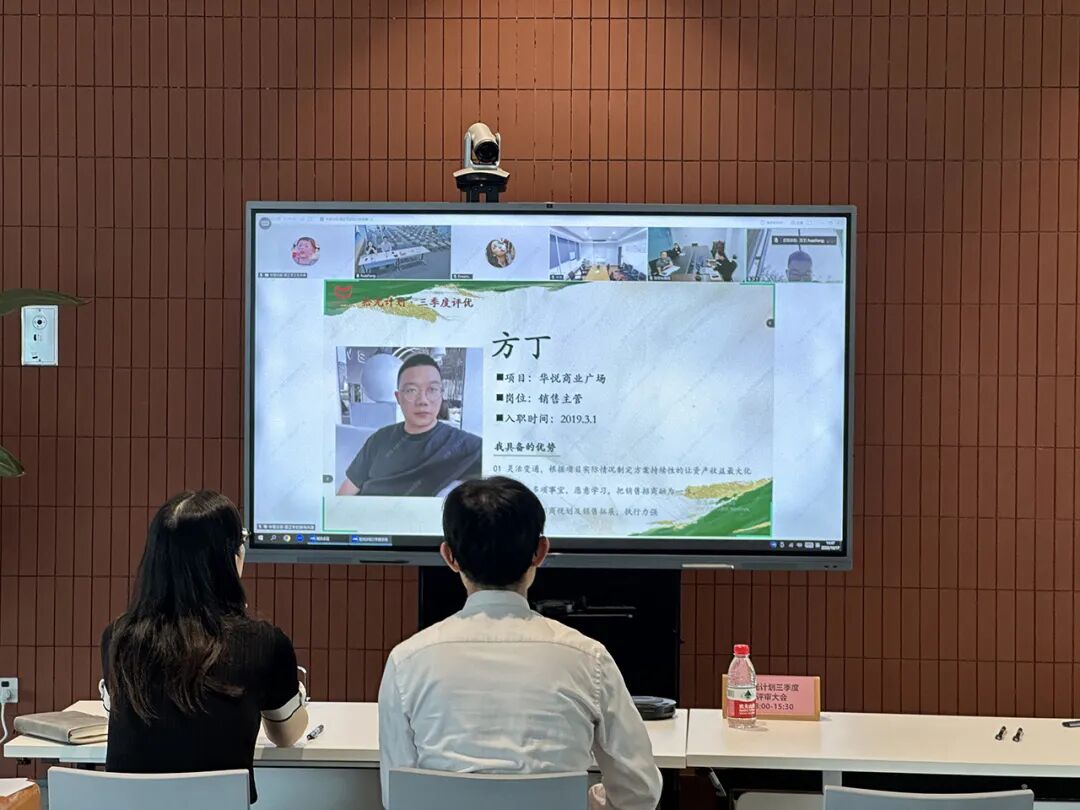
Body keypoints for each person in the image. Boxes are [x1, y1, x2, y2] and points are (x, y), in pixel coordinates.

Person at [378, 477, 663, 810]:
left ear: (449, 556)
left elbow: (398, 796)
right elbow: (639, 792)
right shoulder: (588, 658)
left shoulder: (407, 661)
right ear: (540, 552)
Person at [100, 491, 309, 803]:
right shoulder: (264, 643)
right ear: (231, 558)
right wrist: (296, 694)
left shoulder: (118, 637)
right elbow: (286, 735)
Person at [337, 354, 482, 497]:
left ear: (441, 395)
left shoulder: (467, 446)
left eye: (432, 389)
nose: (422, 401)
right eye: (411, 390)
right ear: (398, 398)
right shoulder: (379, 438)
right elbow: (348, 489)